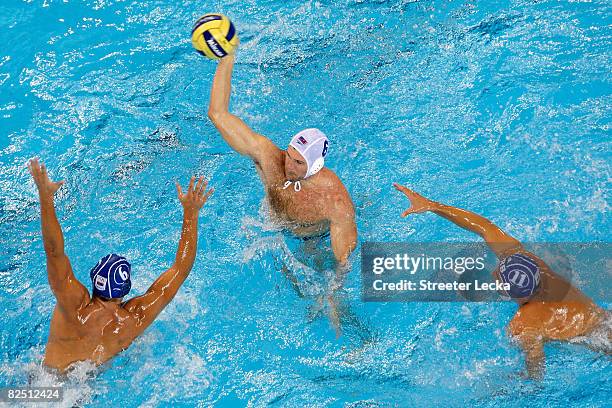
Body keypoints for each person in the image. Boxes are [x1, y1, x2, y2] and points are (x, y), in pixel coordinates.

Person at [393, 182, 610, 379]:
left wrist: (523, 378)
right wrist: (432, 205)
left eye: (498, 277)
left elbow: (537, 372)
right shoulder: (538, 268)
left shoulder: (523, 324)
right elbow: (484, 227)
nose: (495, 273)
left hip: (596, 343)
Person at [207, 54, 357, 334]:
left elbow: (343, 262)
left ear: (316, 166)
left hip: (314, 240)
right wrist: (227, 58)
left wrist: (334, 293)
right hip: (272, 228)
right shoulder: (269, 157)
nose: (288, 165)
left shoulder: (335, 203)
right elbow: (218, 115)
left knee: (324, 305)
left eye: (299, 163)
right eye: (289, 155)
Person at [28, 158, 213, 372]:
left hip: (45, 383)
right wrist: (191, 213)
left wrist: (46, 196)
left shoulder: (74, 307)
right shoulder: (133, 320)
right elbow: (180, 270)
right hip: (83, 391)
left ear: (95, 282)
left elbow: (54, 252)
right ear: (125, 290)